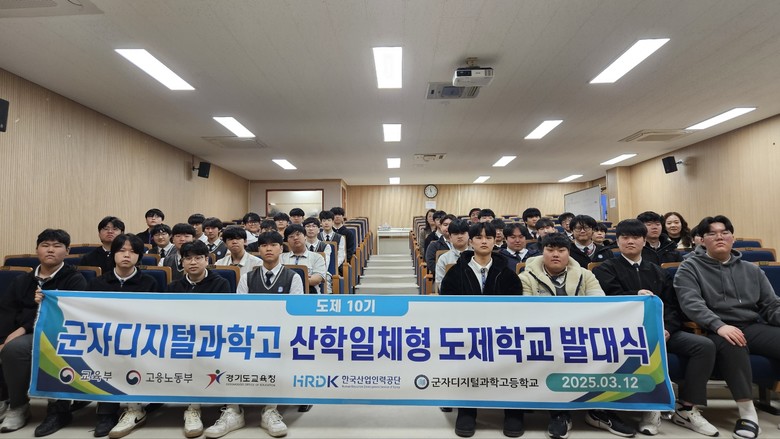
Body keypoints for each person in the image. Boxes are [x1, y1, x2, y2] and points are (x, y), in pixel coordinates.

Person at [592, 220, 718, 437]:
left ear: (644, 241)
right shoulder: (605, 269)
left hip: (663, 332)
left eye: (635, 237)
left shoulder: (658, 271)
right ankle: (651, 408)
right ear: (617, 241)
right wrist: (635, 296)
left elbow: (671, 306)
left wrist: (666, 328)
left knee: (704, 346)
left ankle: (686, 408)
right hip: (626, 334)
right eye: (625, 237)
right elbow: (609, 302)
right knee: (645, 349)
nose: (630, 241)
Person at [675, 215, 780, 439]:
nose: (719, 237)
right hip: (713, 329)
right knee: (733, 343)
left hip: (751, 325)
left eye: (724, 233)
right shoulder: (689, 268)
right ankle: (748, 414)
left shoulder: (752, 270)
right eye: (712, 234)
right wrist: (719, 325)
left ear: (733, 238)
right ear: (702, 240)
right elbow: (692, 304)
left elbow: (771, 305)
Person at [520, 233, 634, 439]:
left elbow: (599, 304)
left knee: (610, 350)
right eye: (550, 250)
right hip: (545, 335)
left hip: (583, 333)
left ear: (569, 252)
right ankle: (560, 413)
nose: (555, 254)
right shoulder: (526, 277)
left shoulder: (585, 275)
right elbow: (527, 312)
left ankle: (600, 411)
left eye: (561, 250)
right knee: (553, 352)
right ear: (542, 252)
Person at [439, 222, 524, 438]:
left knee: (514, 358)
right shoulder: (455, 273)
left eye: (488, 237)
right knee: (466, 360)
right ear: (471, 241)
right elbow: (447, 308)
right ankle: (467, 409)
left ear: (496, 241)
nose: (484, 241)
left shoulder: (508, 273)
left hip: (501, 335)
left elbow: (516, 309)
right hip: (467, 335)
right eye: (478, 237)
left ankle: (513, 410)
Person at [0, 229, 87, 436]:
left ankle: (44, 408)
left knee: (16, 349)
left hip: (57, 334)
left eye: (57, 246)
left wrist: (23, 328)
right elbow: (7, 311)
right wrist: (3, 339)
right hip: (23, 334)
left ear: (67, 251)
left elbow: (70, 315)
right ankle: (14, 403)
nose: (50, 250)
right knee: (10, 346)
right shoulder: (22, 280)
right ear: (37, 249)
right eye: (45, 245)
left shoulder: (75, 280)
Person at [216, 232, 303, 439]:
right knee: (227, 352)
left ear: (281, 249)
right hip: (250, 335)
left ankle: (270, 410)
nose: (269, 249)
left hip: (280, 336)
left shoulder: (293, 277)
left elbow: (295, 313)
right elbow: (240, 311)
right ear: (259, 250)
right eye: (264, 245)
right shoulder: (247, 277)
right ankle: (233, 411)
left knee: (277, 353)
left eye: (273, 245)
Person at [88, 234, 159, 438]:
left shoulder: (150, 282)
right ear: (113, 254)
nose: (126, 255)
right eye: (121, 251)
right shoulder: (98, 283)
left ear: (139, 256)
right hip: (105, 337)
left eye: (132, 251)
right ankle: (106, 412)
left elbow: (159, 315)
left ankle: (135, 406)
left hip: (140, 337)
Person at [167, 241, 231, 293]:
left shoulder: (220, 284)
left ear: (206, 260)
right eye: (188, 258)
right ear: (182, 262)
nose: (193, 262)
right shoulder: (173, 287)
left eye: (197, 258)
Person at [281, 224, 328, 294]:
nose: (295, 238)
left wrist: (290, 279)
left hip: (310, 294)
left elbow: (317, 278)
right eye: (291, 236)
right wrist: (305, 277)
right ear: (287, 241)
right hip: (286, 295)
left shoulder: (317, 257)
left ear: (305, 237)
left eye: (298, 234)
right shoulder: (281, 257)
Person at [434, 219, 470, 292]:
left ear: (469, 235)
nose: (460, 236)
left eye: (463, 233)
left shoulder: (477, 256)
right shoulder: (443, 259)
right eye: (456, 234)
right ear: (450, 237)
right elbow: (440, 284)